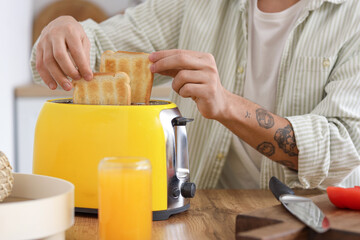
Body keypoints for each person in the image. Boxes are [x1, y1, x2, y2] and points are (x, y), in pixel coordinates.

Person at [30, 0, 360, 189]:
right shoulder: (196, 4)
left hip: (314, 221)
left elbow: (343, 147)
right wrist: (61, 31)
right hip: (202, 214)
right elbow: (93, 49)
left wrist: (227, 105)